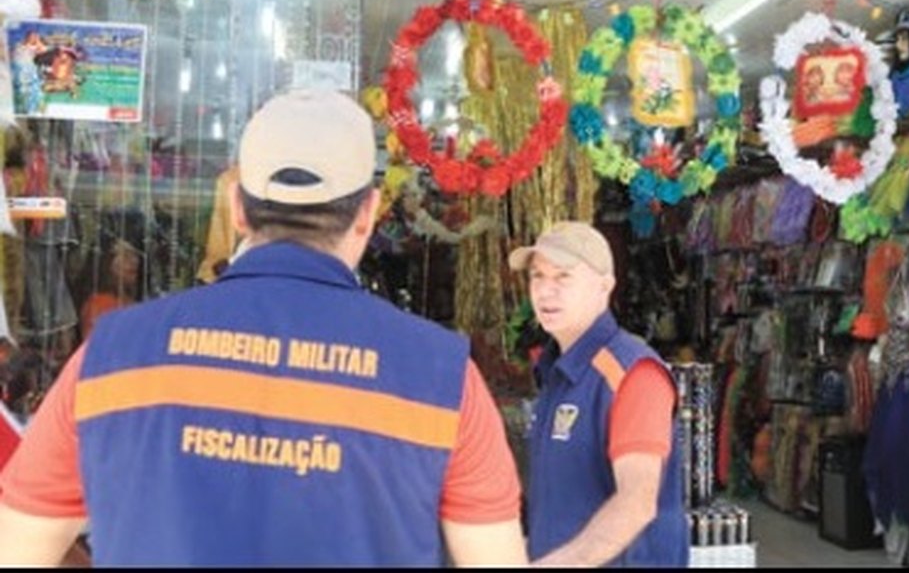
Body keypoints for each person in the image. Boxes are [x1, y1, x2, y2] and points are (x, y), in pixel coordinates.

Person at [0, 89, 527, 566]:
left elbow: (16, 549)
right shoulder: (440, 378)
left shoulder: (112, 357)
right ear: (368, 213)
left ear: (236, 207)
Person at [509, 221, 688, 566]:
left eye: (563, 277)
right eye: (537, 276)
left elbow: (637, 503)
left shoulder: (631, 373)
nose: (545, 291)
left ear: (604, 286)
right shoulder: (557, 372)